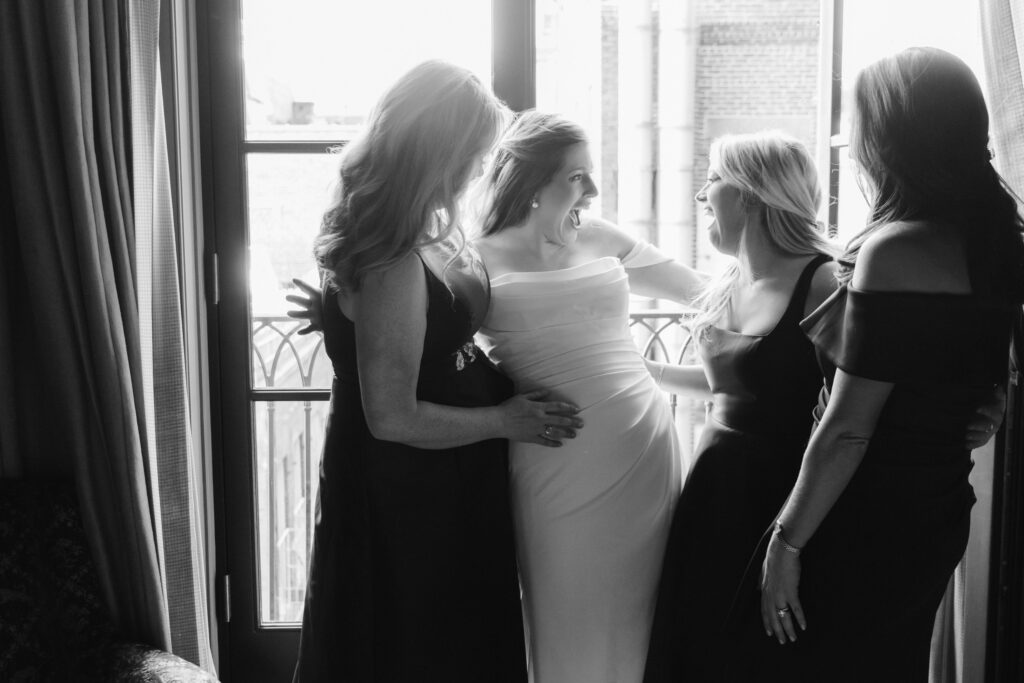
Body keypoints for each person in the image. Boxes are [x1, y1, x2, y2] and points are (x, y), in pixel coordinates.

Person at [726, 47, 1023, 682]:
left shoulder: (897, 248)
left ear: (896, 133)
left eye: (857, 122)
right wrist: (986, 405)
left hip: (865, 515)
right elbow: (972, 366)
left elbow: (848, 428)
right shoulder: (1000, 236)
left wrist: (787, 541)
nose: (849, 139)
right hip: (935, 507)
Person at [290, 61, 583, 683]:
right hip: (406, 487)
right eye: (476, 151)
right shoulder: (392, 255)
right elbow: (391, 415)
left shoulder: (431, 228)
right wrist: (505, 417)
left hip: (452, 468)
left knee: (456, 637)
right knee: (416, 645)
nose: (482, 166)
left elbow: (426, 338)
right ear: (441, 150)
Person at [470, 111, 706, 683]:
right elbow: (419, 342)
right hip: (553, 457)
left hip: (642, 453)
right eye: (577, 176)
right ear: (528, 182)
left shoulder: (598, 235)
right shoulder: (473, 259)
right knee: (563, 609)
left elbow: (707, 294)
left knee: (643, 613)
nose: (594, 191)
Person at [640, 132, 840, 683]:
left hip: (777, 495)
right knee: (696, 640)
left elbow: (861, 398)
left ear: (750, 194)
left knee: (755, 653)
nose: (703, 195)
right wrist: (635, 370)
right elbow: (729, 387)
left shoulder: (822, 281)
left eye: (713, 180)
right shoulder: (728, 281)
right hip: (711, 488)